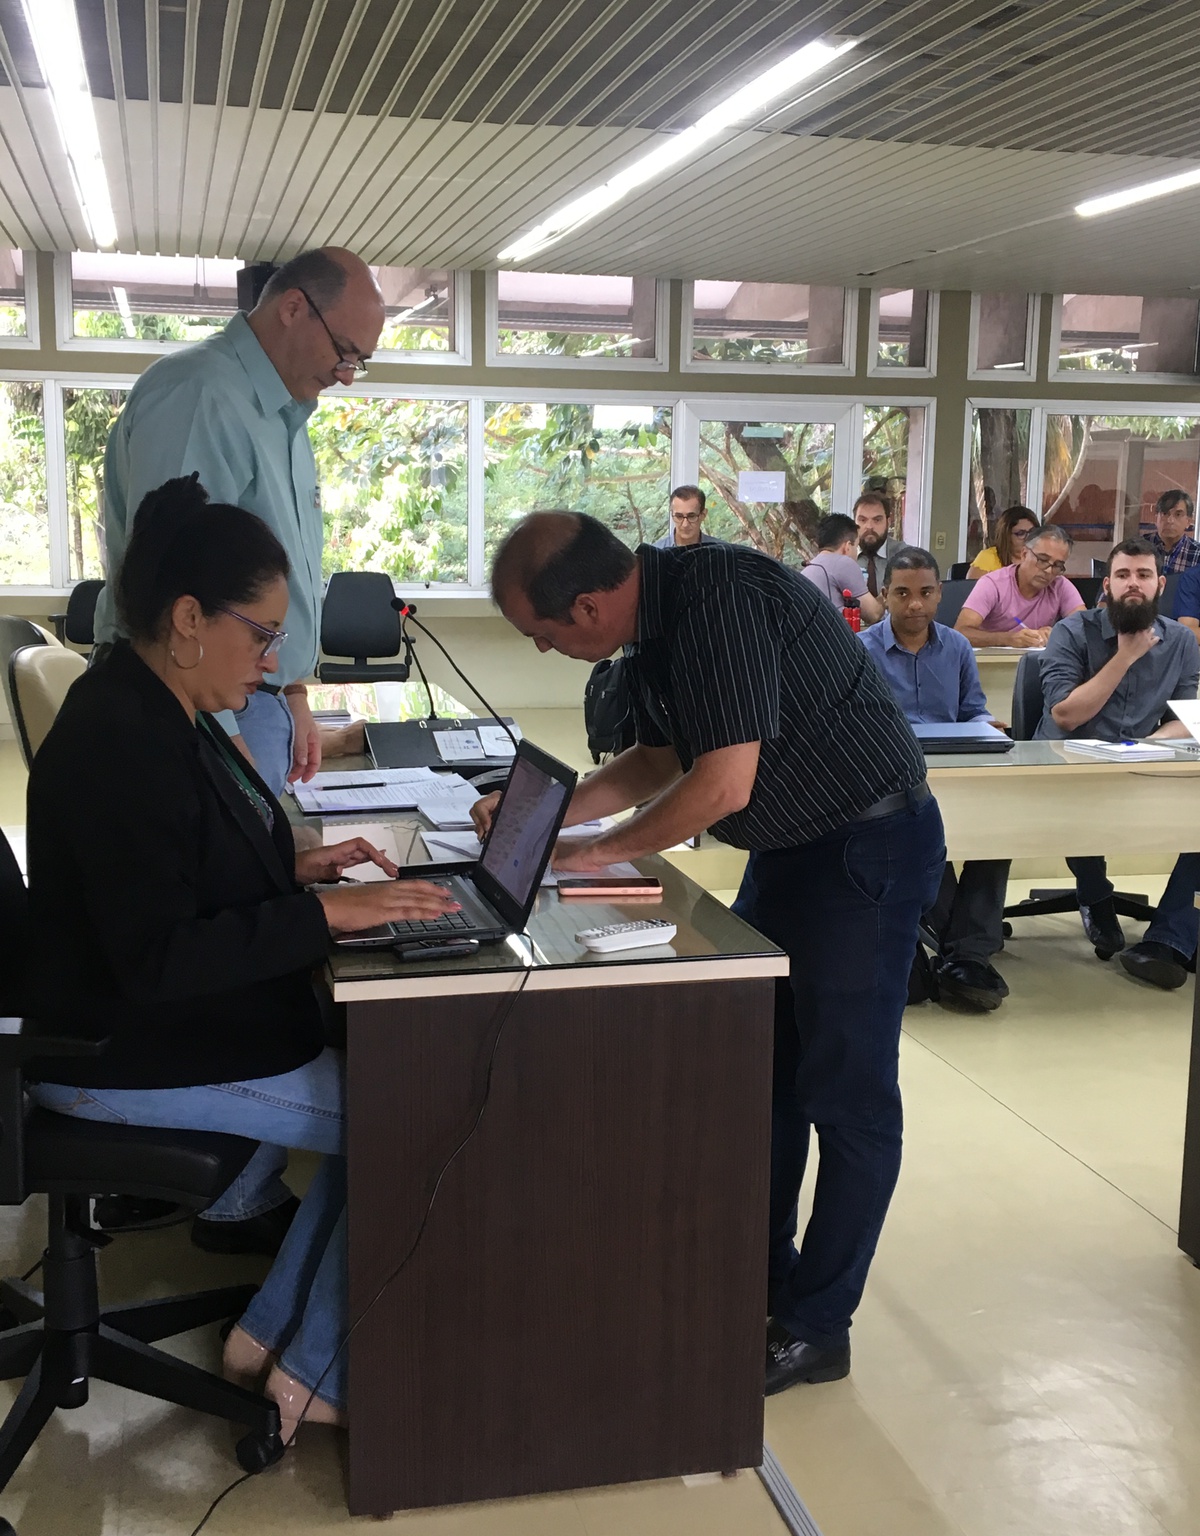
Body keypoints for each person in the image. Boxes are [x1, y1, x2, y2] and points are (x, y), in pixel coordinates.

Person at [24, 476, 458, 1441]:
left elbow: (180, 866)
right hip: (115, 1054)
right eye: (260, 635)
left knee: (400, 1074)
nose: (271, 661)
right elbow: (158, 957)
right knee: (419, 1107)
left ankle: (268, 1340)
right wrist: (323, 916)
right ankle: (315, 1370)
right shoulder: (123, 739)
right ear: (189, 618)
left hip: (141, 1024)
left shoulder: (154, 704)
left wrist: (299, 867)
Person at [476, 512, 945, 1395]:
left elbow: (723, 784)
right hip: (794, 848)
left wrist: (590, 854)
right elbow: (659, 759)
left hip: (865, 852)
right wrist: (544, 816)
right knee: (762, 1076)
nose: (542, 650)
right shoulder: (658, 623)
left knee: (846, 1098)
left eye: (541, 633)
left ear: (588, 607)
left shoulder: (718, 601)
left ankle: (817, 1326)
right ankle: (760, 1275)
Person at [96, 248, 387, 796]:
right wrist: (227, 745)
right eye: (345, 351)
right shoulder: (202, 395)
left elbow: (264, 579)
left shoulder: (283, 413)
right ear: (293, 308)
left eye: (359, 361)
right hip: (201, 709)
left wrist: (293, 692)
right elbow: (172, 592)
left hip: (253, 699)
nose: (347, 376)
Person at [1036, 536, 1200, 978]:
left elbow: (1186, 719)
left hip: (1137, 765)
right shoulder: (1072, 631)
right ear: (1107, 585)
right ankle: (1094, 893)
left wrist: (1149, 744)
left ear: (1159, 584)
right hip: (1063, 767)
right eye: (1123, 575)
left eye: (1143, 575)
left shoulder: (1180, 641)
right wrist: (1125, 657)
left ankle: (1167, 940)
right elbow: (1066, 714)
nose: (1133, 584)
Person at [860, 549, 1010, 1012]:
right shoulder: (860, 649)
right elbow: (856, 723)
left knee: (997, 835)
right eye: (902, 593)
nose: (915, 604)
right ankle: (968, 956)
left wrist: (988, 727)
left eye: (925, 593)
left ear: (940, 594)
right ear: (884, 595)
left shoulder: (957, 647)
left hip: (957, 768)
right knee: (929, 842)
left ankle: (961, 952)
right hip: (894, 778)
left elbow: (973, 710)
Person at [954, 523, 1086, 648]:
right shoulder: (993, 584)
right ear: (1024, 554)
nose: (1048, 570)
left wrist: (1058, 633)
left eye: (1057, 565)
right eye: (1042, 560)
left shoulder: (1060, 585)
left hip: (1038, 661)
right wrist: (1008, 639)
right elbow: (961, 632)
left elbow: (1085, 628)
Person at [800, 513, 883, 624]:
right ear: (847, 547)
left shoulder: (809, 568)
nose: (857, 552)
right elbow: (873, 614)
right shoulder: (844, 563)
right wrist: (887, 594)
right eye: (856, 546)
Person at [854, 491, 907, 598]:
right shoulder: (843, 556)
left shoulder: (904, 556)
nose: (869, 526)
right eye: (862, 520)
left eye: (877, 520)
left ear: (888, 522)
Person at [966, 503, 1039, 579]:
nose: (1028, 537)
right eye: (1021, 533)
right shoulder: (989, 557)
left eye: (1033, 532)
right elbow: (971, 586)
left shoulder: (1042, 557)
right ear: (1006, 535)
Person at [651, 484, 725, 550]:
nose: (685, 524)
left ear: (703, 515)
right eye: (679, 516)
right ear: (672, 514)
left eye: (691, 516)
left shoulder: (721, 552)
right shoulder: (657, 552)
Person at [1146, 488, 1200, 575]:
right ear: (1156, 518)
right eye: (1165, 513)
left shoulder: (1197, 553)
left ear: (1188, 521)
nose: (1170, 520)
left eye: (1178, 514)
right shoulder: (1139, 547)